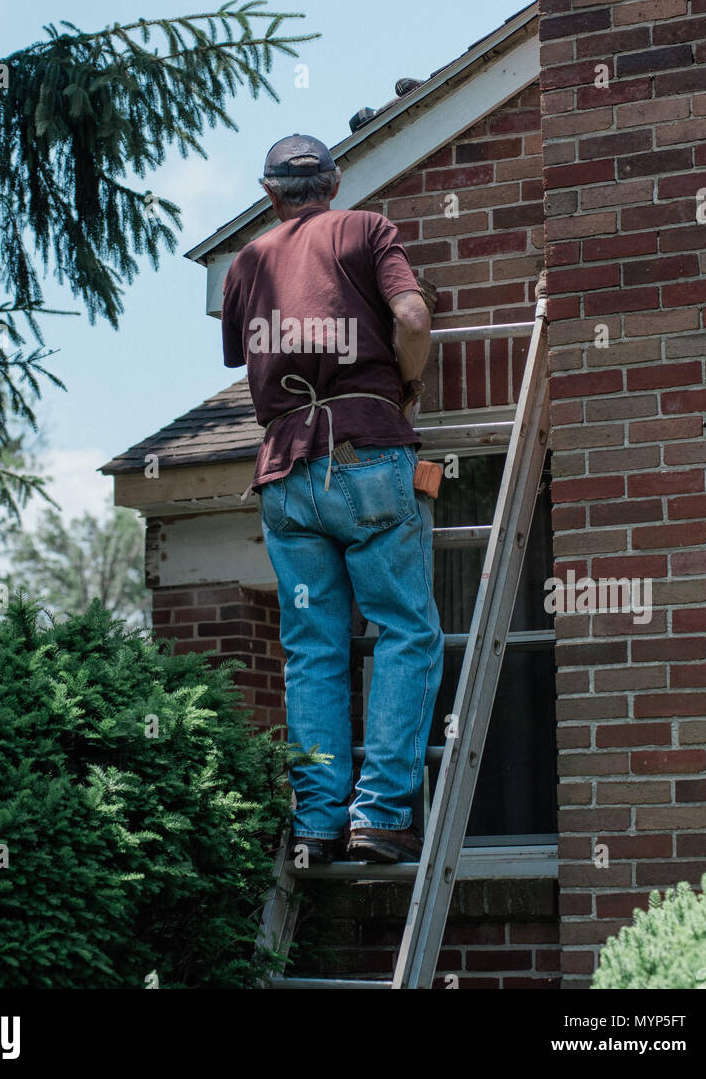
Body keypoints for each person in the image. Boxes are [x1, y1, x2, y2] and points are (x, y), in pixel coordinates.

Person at [221, 133, 443, 864]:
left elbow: (247, 353)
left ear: (268, 193)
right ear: (336, 182)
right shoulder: (365, 229)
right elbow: (412, 318)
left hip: (285, 472)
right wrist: (405, 386)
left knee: (312, 650)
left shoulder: (248, 261)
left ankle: (317, 823)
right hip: (365, 453)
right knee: (404, 632)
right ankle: (378, 816)